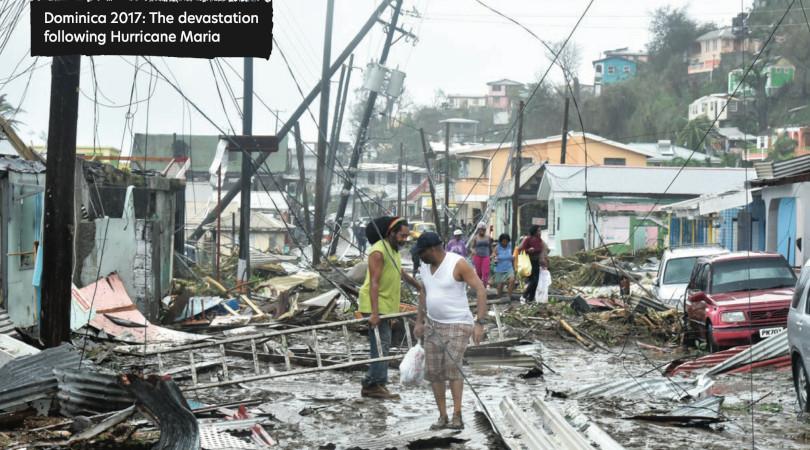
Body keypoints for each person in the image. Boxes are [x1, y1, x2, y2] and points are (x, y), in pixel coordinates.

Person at [413, 232, 487, 430]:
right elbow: (424, 291)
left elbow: (480, 289)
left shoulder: (458, 263)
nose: (419, 256)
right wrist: (419, 321)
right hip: (433, 324)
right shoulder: (425, 267)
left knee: (452, 368)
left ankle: (457, 415)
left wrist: (480, 322)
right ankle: (442, 416)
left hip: (458, 323)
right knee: (434, 372)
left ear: (433, 249)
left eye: (421, 252)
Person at [358, 216, 422, 399]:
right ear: (391, 233)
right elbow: (374, 283)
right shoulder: (378, 251)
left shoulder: (393, 250)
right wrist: (375, 313)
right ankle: (374, 383)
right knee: (380, 345)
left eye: (406, 237)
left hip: (387, 305)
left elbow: (399, 271)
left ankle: (372, 382)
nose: (404, 240)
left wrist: (417, 285)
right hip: (375, 304)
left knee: (383, 344)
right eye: (402, 236)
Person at [519, 225, 547, 302]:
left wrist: (543, 260)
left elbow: (542, 251)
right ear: (534, 232)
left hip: (536, 262)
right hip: (528, 262)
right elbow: (523, 250)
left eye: (540, 231)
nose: (540, 232)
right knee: (533, 280)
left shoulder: (540, 241)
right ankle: (524, 296)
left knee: (536, 282)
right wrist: (528, 250)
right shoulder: (528, 240)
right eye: (538, 231)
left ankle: (530, 299)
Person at [491, 234, 516, 300]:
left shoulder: (510, 247)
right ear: (501, 241)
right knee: (500, 285)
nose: (505, 243)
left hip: (509, 268)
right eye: (503, 241)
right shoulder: (497, 248)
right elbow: (495, 257)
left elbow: (513, 256)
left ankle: (509, 296)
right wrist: (495, 265)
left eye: (506, 241)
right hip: (499, 268)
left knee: (512, 280)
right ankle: (499, 298)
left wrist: (514, 265)